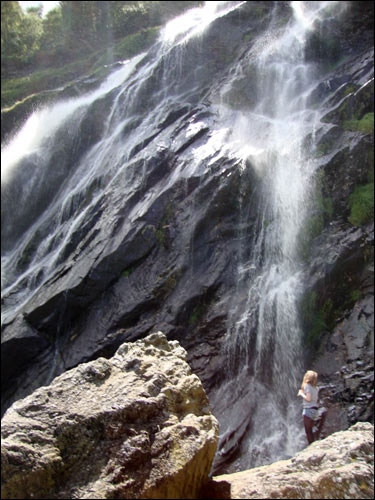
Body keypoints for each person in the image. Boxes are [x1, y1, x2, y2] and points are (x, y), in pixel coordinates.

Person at [297, 370, 319, 444]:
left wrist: (301, 394)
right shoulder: (316, 388)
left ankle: (311, 446)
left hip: (308, 409)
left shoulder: (307, 386)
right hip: (315, 410)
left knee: (308, 430)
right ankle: (314, 444)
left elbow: (308, 399)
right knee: (312, 430)